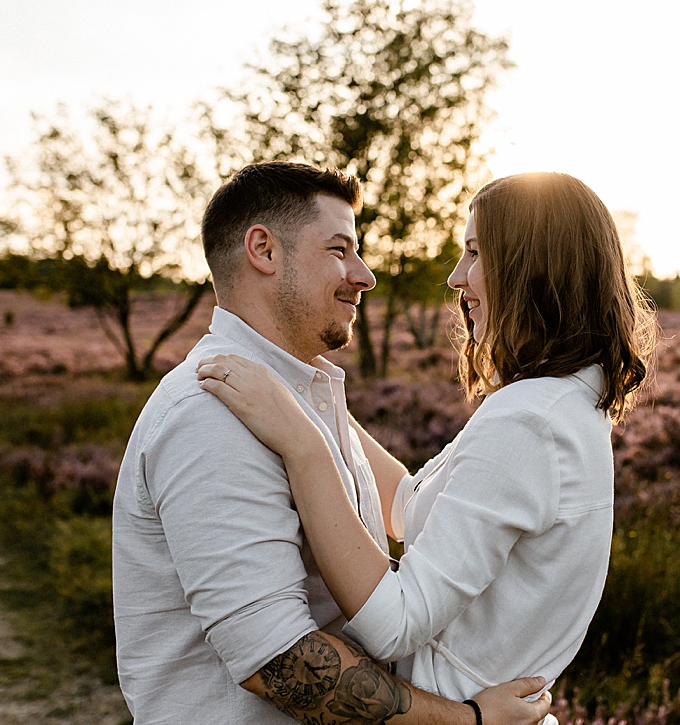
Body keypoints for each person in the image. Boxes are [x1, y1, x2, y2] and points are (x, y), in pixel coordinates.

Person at [197, 172, 659, 707]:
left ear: (532, 267)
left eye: (475, 252)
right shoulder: (562, 406)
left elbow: (394, 625)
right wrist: (307, 399)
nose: (458, 277)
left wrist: (303, 445)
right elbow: (408, 505)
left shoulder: (528, 423)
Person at [112, 161, 551, 725]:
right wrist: (468, 719)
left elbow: (406, 510)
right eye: (339, 250)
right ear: (264, 251)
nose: (364, 274)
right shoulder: (210, 416)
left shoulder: (296, 399)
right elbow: (278, 662)